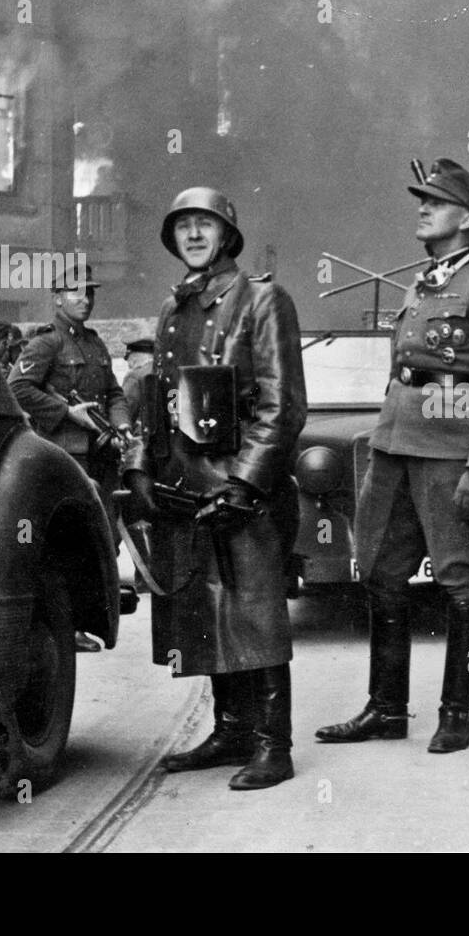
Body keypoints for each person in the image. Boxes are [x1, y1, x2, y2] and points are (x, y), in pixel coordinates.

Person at [316, 158, 469, 754]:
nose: (423, 210)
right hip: (393, 447)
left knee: (461, 580)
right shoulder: (423, 284)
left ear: (466, 218)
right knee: (381, 571)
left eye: (434, 203)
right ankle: (386, 709)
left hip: (449, 455)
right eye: (422, 201)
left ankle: (455, 711)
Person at [122, 187, 307, 791]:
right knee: (205, 611)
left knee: (256, 612)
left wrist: (246, 482)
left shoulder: (262, 300)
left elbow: (282, 408)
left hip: (241, 488)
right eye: (183, 227)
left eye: (205, 225)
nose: (194, 235)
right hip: (184, 482)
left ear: (227, 235)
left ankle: (272, 745)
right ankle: (230, 730)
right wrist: (141, 468)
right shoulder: (175, 308)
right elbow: (159, 398)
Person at [9, 260, 130, 653]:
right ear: (58, 298)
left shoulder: (94, 343)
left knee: (102, 538)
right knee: (66, 541)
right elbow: (18, 387)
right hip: (66, 456)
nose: (86, 299)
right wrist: (65, 413)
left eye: (90, 292)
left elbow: (113, 393)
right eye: (77, 292)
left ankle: (88, 617)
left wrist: (121, 424)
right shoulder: (46, 343)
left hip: (100, 455)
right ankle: (67, 626)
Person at [121, 337, 155, 431]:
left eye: (127, 357)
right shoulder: (164, 371)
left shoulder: (134, 376)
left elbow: (125, 411)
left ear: (134, 357)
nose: (128, 363)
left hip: (143, 436)